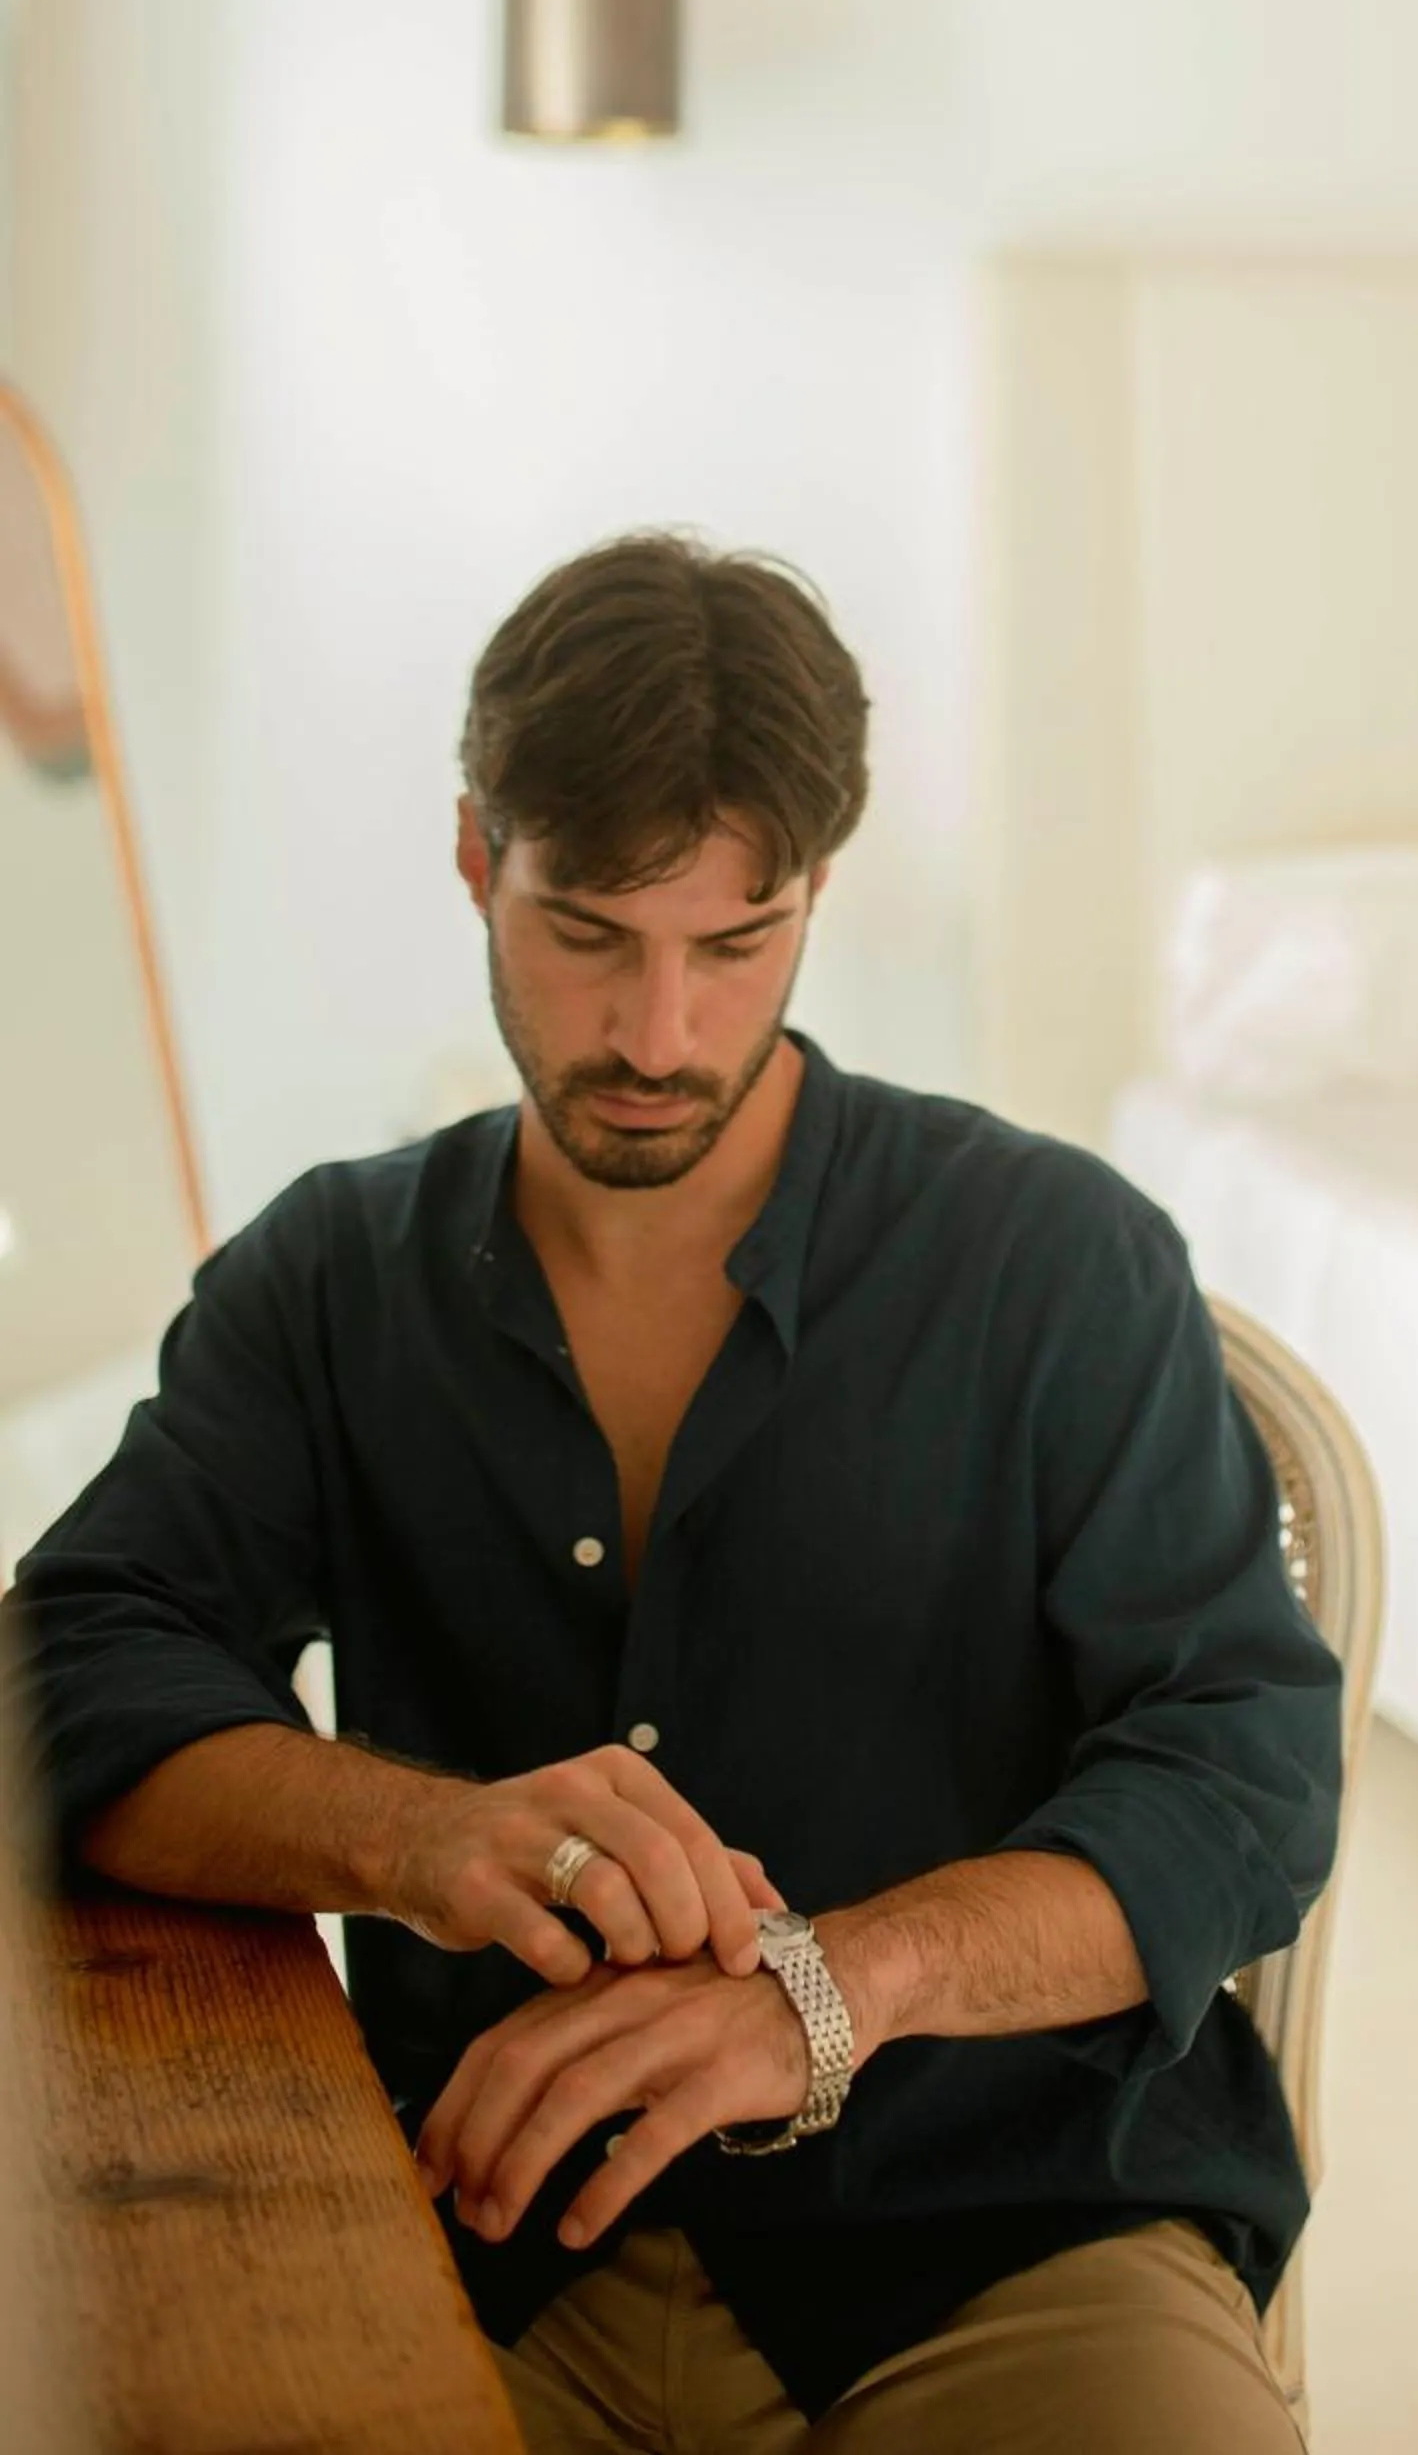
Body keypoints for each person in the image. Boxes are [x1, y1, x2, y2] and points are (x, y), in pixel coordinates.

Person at [6, 531, 1341, 2452]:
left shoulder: (1055, 1257)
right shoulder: (330, 1282)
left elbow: (1244, 1772)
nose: (659, 1037)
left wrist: (829, 1987)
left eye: (736, 945)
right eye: (587, 934)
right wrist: (416, 1839)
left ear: (818, 895)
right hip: (476, 2230)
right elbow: (69, 1668)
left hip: (1002, 2233)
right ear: (475, 856)